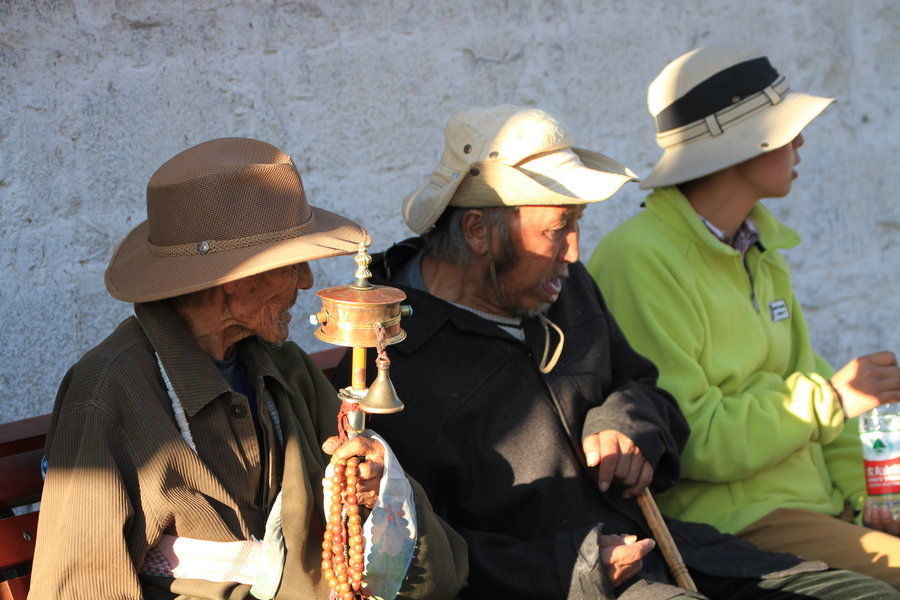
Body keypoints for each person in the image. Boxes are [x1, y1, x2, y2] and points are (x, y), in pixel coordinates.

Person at [334, 104, 899, 599]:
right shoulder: (387, 354)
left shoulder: (561, 285)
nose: (576, 254)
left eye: (578, 225)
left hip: (669, 546)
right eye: (559, 229)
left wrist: (624, 425)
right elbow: (408, 549)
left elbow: (644, 388)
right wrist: (574, 566)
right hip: (557, 586)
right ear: (479, 231)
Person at [30, 137, 467, 599]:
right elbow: (79, 586)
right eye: (291, 264)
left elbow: (381, 542)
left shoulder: (284, 368)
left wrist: (373, 490)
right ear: (230, 279)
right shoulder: (107, 395)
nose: (307, 280)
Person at [588, 42, 900, 585]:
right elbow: (693, 437)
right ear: (740, 147)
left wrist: (878, 496)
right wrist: (828, 400)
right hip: (734, 525)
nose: (801, 140)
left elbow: (826, 400)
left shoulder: (758, 245)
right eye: (785, 130)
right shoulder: (639, 258)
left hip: (816, 507)